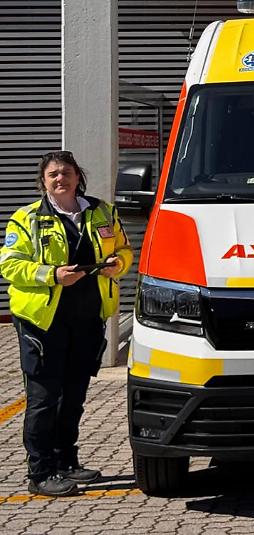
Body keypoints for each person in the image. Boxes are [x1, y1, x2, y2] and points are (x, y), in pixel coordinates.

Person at [1, 151, 133, 497]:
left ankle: (66, 462)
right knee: (44, 398)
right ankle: (40, 472)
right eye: (53, 175)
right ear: (43, 181)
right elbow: (11, 266)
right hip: (43, 321)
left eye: (67, 173)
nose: (61, 179)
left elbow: (125, 250)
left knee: (74, 396)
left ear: (78, 177)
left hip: (87, 317)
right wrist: (52, 275)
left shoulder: (102, 211)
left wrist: (117, 264)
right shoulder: (26, 218)